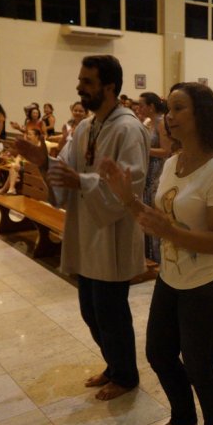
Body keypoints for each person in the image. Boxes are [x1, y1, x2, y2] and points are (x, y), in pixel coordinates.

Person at [100, 82, 213, 425]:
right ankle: (183, 419)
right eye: (169, 109)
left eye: (178, 109)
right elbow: (160, 219)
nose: (169, 117)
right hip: (172, 275)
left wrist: (170, 232)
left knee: (199, 364)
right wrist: (127, 198)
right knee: (158, 353)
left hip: (208, 281)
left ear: (200, 115)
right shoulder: (174, 162)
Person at [14, 54, 149, 400]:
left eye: (87, 82)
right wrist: (43, 161)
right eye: (80, 80)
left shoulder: (128, 128)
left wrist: (83, 182)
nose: (79, 87)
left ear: (109, 86)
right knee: (91, 312)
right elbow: (66, 167)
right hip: (87, 232)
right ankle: (114, 365)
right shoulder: (87, 126)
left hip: (112, 235)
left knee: (111, 314)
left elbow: (131, 183)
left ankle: (126, 376)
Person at [140, 91, 172, 264]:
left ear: (151, 106)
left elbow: (166, 151)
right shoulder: (148, 123)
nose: (139, 108)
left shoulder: (161, 123)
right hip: (148, 170)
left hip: (157, 171)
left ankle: (157, 258)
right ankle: (148, 255)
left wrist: (145, 150)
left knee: (154, 211)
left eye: (142, 105)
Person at [0, 127, 43, 195]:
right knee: (14, 167)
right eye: (27, 134)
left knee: (13, 168)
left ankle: (6, 189)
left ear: (36, 136)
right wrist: (17, 162)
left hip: (35, 169)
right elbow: (20, 155)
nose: (28, 136)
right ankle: (10, 189)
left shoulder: (41, 146)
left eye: (30, 134)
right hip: (26, 167)